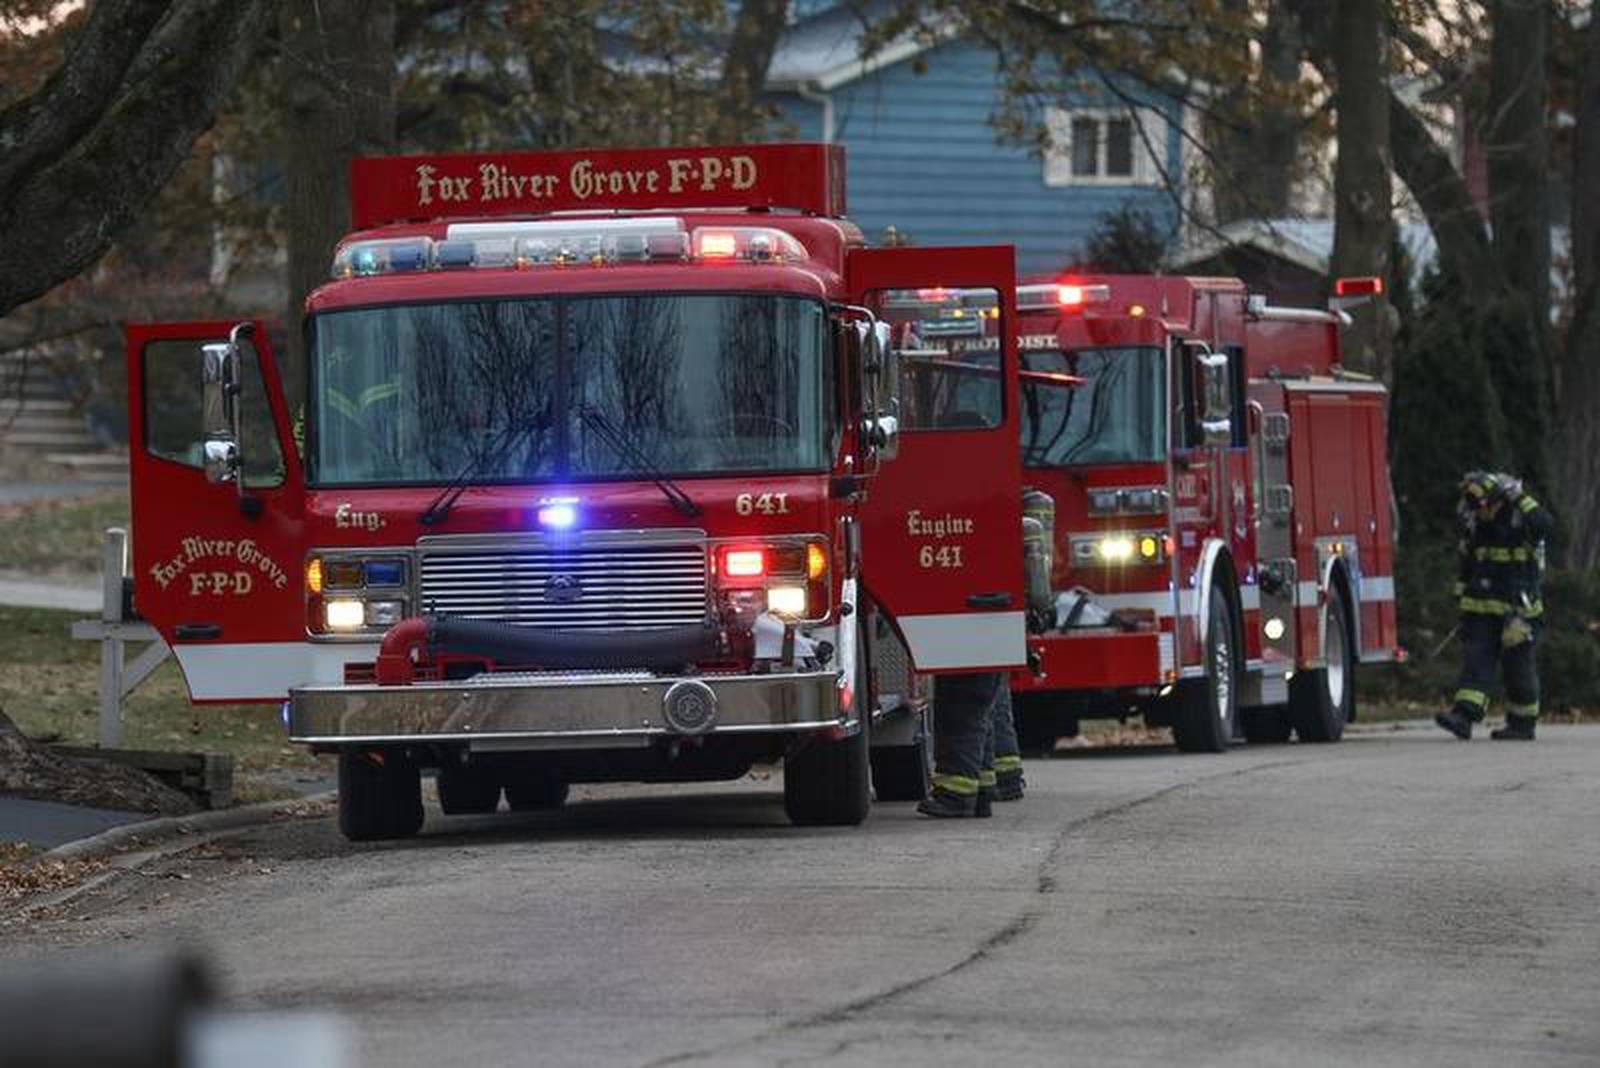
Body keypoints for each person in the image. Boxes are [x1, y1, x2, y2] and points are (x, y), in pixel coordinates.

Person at [1436, 471, 1554, 742]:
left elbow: (1545, 524)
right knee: (1476, 662)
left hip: (1519, 613)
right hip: (1481, 609)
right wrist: (1461, 599)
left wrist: (1520, 496)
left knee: (1518, 668)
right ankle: (1463, 717)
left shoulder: (1521, 517)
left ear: (1500, 500)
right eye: (1476, 507)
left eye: (1485, 505)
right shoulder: (1475, 522)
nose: (1481, 512)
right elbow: (1467, 563)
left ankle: (1522, 724)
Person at [918, 673, 1025, 817]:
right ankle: (981, 793)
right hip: (983, 663)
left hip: (968, 663)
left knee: (961, 715)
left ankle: (955, 797)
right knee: (978, 717)